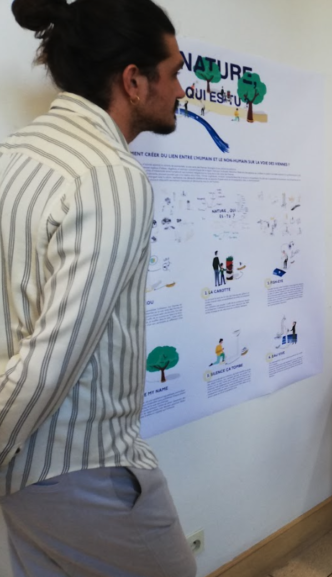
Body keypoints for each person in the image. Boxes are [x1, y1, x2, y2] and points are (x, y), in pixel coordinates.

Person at [0, 1, 195, 576]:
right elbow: (50, 360)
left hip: (24, 476)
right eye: (174, 73)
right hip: (78, 469)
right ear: (134, 81)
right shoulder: (112, 176)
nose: (181, 89)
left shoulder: (11, 155)